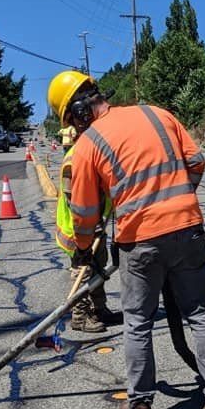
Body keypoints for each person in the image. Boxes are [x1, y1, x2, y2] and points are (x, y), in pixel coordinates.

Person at [46, 70, 205, 409]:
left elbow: (84, 213)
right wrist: (176, 201)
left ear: (79, 112)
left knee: (138, 322)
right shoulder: (156, 114)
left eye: (71, 121)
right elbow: (195, 163)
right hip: (188, 229)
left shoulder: (87, 146)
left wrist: (83, 248)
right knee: (200, 312)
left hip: (140, 242)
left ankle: (141, 404)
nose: (75, 129)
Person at [54, 130, 121, 333]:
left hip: (95, 226)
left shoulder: (95, 154)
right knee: (84, 270)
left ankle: (100, 309)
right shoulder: (74, 160)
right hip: (77, 230)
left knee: (98, 267)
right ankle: (80, 317)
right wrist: (86, 232)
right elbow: (75, 201)